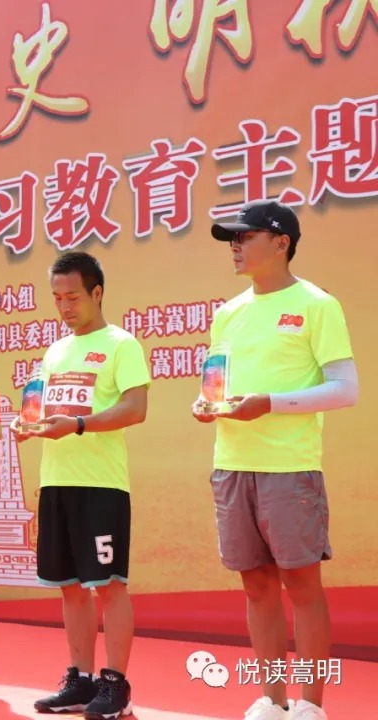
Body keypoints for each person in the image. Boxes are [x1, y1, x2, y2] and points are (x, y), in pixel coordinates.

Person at [194, 201, 357, 720]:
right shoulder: (228, 313)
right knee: (256, 585)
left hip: (289, 466)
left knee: (302, 586)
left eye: (245, 236)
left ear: (282, 242)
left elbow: (345, 389)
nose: (235, 246)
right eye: (232, 239)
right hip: (232, 462)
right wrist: (207, 403)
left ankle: (311, 704)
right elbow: (218, 380)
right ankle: (272, 698)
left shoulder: (316, 304)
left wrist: (270, 403)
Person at [10, 251, 149, 720]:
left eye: (73, 296)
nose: (65, 306)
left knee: (108, 585)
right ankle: (81, 679)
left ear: (97, 292)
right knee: (69, 586)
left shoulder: (121, 344)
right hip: (56, 482)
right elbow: (48, 412)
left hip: (100, 485)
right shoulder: (55, 351)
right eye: (57, 298)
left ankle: (115, 684)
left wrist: (80, 425)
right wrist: (30, 425)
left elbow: (135, 408)